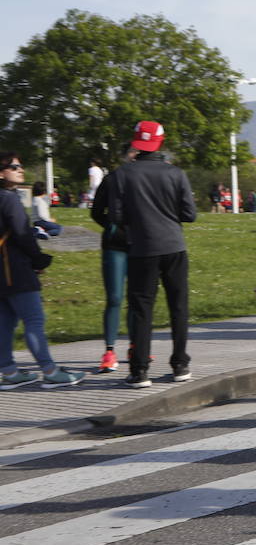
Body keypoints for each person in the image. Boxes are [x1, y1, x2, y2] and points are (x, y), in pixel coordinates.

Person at [106, 121, 197, 387]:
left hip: (142, 249)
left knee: (142, 309)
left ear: (136, 142)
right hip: (174, 246)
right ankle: (180, 364)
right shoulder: (176, 174)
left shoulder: (123, 175)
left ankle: (140, 370)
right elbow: (189, 214)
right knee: (178, 307)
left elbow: (115, 216)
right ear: (160, 142)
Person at [0, 153, 85, 389]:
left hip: (2, 272)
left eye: (21, 165)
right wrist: (38, 259)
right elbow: (22, 234)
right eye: (13, 166)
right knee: (34, 320)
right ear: (1, 173)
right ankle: (50, 371)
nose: (20, 169)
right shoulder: (9, 199)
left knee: (5, 322)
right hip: (15, 269)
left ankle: (8, 372)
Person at [89, 144, 138, 373]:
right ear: (125, 156)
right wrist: (112, 228)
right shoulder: (112, 180)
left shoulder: (144, 180)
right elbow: (96, 211)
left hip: (140, 245)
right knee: (115, 297)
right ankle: (109, 351)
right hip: (115, 246)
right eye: (132, 152)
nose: (135, 156)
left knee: (135, 298)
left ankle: (135, 346)